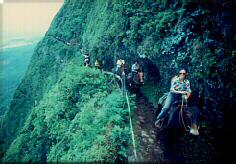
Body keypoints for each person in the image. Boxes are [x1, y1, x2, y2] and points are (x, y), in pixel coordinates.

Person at [155, 69, 199, 135]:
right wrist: (181, 92)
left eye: (184, 73)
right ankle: (159, 119)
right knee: (166, 107)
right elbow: (172, 89)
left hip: (183, 96)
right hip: (173, 95)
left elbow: (189, 91)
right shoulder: (175, 79)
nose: (182, 74)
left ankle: (192, 126)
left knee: (193, 110)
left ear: (185, 74)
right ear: (179, 73)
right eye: (181, 73)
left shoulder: (187, 81)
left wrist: (187, 97)